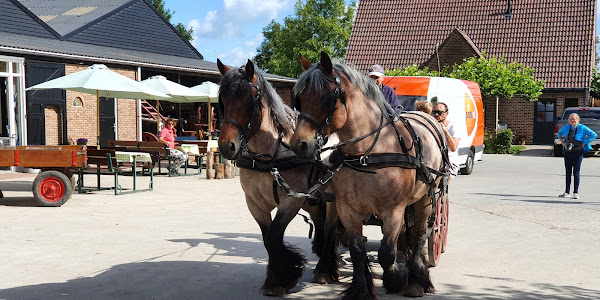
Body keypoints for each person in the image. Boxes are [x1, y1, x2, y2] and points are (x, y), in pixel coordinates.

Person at [556, 113, 597, 199]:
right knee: (568, 172)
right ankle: (567, 192)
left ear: (578, 120)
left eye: (574, 119)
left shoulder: (582, 128)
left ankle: (576, 192)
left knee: (576, 172)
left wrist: (584, 142)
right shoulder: (567, 127)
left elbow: (593, 135)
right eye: (571, 119)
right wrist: (563, 143)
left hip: (578, 153)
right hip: (568, 152)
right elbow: (559, 134)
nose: (572, 121)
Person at [432, 102, 463, 176]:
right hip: (434, 159)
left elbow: (453, 148)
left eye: (439, 112)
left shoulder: (453, 127)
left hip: (449, 161)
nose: (436, 115)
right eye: (434, 112)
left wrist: (445, 131)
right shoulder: (431, 126)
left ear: (447, 113)